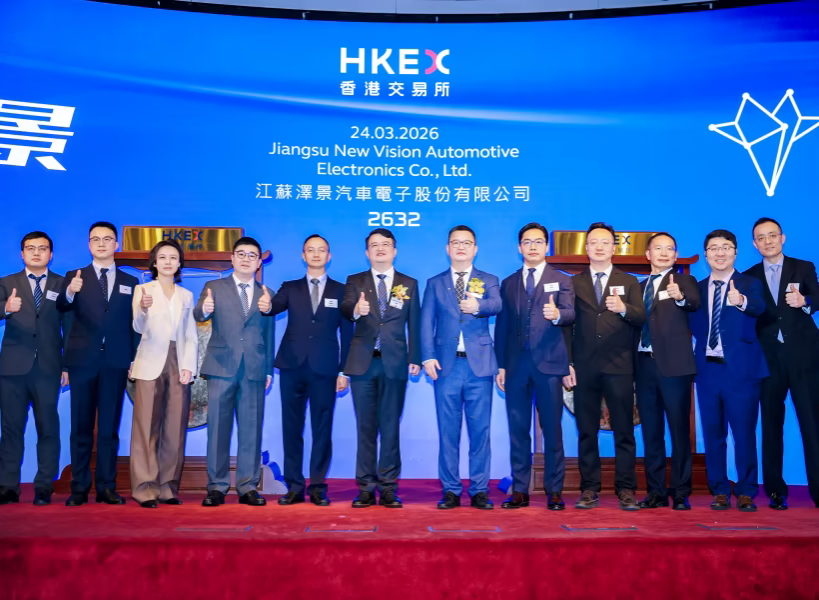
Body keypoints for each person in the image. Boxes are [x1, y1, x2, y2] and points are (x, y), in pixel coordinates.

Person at [563, 222, 646, 511]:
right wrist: (568, 362)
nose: (599, 247)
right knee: (587, 431)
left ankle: (626, 489)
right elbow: (566, 327)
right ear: (586, 248)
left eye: (605, 242)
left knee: (624, 430)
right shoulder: (574, 283)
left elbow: (640, 318)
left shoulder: (630, 282)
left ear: (614, 248)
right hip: (584, 367)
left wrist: (623, 309)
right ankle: (589, 488)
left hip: (619, 366)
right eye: (594, 242)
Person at [58, 221, 139, 506]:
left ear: (117, 244)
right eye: (96, 239)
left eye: (107, 239)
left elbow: (134, 324)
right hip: (82, 360)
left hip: (115, 360)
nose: (101, 243)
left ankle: (107, 487)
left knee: (108, 428)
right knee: (80, 428)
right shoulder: (74, 277)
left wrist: (133, 358)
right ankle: (79, 487)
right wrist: (70, 292)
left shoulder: (131, 282)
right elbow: (62, 309)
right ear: (89, 245)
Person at [267, 234, 352, 507]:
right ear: (303, 256)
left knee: (322, 428)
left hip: (325, 368)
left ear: (329, 256)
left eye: (321, 250)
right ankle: (294, 486)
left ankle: (317, 486)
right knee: (291, 428)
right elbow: (273, 307)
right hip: (292, 366)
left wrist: (344, 371)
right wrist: (265, 303)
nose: (316, 254)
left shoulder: (342, 290)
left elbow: (347, 333)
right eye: (310, 250)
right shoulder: (290, 287)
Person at [494, 223, 574, 510]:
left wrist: (557, 314)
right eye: (527, 242)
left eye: (538, 241)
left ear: (546, 246)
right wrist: (501, 365)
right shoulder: (508, 283)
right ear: (519, 247)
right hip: (516, 366)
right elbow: (502, 327)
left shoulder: (562, 280)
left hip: (549, 364)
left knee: (552, 429)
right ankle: (520, 490)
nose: (532, 246)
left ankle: (554, 491)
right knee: (518, 430)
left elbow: (570, 314)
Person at [421, 225, 502, 510]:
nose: (461, 247)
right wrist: (427, 356)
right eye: (455, 242)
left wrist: (477, 306)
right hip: (446, 366)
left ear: (475, 249)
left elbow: (497, 304)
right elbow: (425, 322)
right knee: (448, 432)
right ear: (447, 248)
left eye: (466, 243)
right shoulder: (435, 283)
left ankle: (479, 490)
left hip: (479, 366)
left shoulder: (489, 279)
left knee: (481, 432)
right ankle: (451, 490)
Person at [341, 228, 421, 508]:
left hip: (395, 363)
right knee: (365, 427)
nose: (380, 249)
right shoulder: (355, 281)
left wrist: (415, 357)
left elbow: (415, 323)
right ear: (367, 252)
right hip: (363, 363)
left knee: (390, 427)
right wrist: (356, 311)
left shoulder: (409, 283)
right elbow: (346, 309)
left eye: (385, 244)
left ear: (394, 250)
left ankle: (388, 487)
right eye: (374, 245)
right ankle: (365, 487)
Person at [690, 229, 768, 512]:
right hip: (707, 371)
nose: (720, 253)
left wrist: (741, 302)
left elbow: (759, 307)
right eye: (714, 248)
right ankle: (720, 490)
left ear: (735, 252)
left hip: (742, 372)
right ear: (706, 254)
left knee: (744, 434)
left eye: (725, 247)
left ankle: (746, 491)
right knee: (713, 435)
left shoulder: (750, 283)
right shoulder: (697, 289)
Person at [194, 236, 275, 507]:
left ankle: (248, 487)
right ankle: (216, 487)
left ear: (259, 262)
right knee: (218, 429)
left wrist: (268, 370)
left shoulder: (267, 293)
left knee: (251, 429)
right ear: (232, 258)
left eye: (252, 255)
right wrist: (204, 310)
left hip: (254, 368)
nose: (246, 259)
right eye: (241, 254)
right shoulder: (214, 287)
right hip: (221, 366)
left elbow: (269, 333)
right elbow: (199, 314)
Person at [744, 217, 819, 510]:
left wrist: (806, 302)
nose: (768, 241)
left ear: (782, 238)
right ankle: (775, 490)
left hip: (804, 357)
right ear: (755, 244)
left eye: (772, 235)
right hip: (768, 360)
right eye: (761, 238)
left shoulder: (803, 267)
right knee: (771, 425)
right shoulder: (749, 276)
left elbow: (817, 296)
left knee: (812, 424)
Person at [634, 232, 700, 511]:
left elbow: (693, 302)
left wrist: (680, 297)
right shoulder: (638, 287)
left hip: (675, 368)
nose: (664, 253)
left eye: (669, 249)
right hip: (643, 366)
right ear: (648, 255)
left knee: (679, 431)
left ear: (676, 255)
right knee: (651, 433)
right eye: (658, 248)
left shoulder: (684, 281)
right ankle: (656, 492)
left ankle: (681, 492)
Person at [129, 240, 198, 508]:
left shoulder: (186, 295)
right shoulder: (143, 290)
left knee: (174, 427)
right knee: (146, 427)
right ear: (154, 263)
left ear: (179, 264)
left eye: (173, 257)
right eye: (163, 257)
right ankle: (145, 488)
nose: (168, 262)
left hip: (177, 360)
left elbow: (190, 334)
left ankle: (168, 487)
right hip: (149, 361)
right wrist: (143, 308)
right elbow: (138, 326)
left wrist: (188, 366)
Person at [0, 232, 67, 506]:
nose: (36, 253)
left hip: (49, 368)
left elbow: (70, 327)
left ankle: (44, 485)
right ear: (22, 254)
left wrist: (66, 365)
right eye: (30, 248)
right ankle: (7, 486)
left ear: (51, 254)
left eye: (42, 248)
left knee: (48, 428)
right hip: (13, 369)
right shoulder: (7, 283)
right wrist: (5, 308)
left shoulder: (63, 284)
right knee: (11, 429)